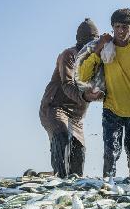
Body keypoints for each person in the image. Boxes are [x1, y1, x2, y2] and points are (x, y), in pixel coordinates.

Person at [79, 8, 130, 178]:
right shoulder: (106, 48)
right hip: (111, 109)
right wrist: (98, 50)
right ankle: (107, 190)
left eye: (125, 27)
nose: (121, 31)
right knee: (111, 154)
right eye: (117, 27)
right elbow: (83, 75)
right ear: (112, 27)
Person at [40, 19, 102, 178]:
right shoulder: (69, 55)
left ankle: (61, 183)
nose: (91, 44)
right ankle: (58, 178)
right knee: (62, 136)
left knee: (78, 156)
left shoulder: (98, 59)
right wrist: (85, 96)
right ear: (79, 40)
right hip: (55, 108)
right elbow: (67, 84)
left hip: (77, 116)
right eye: (88, 40)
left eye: (95, 40)